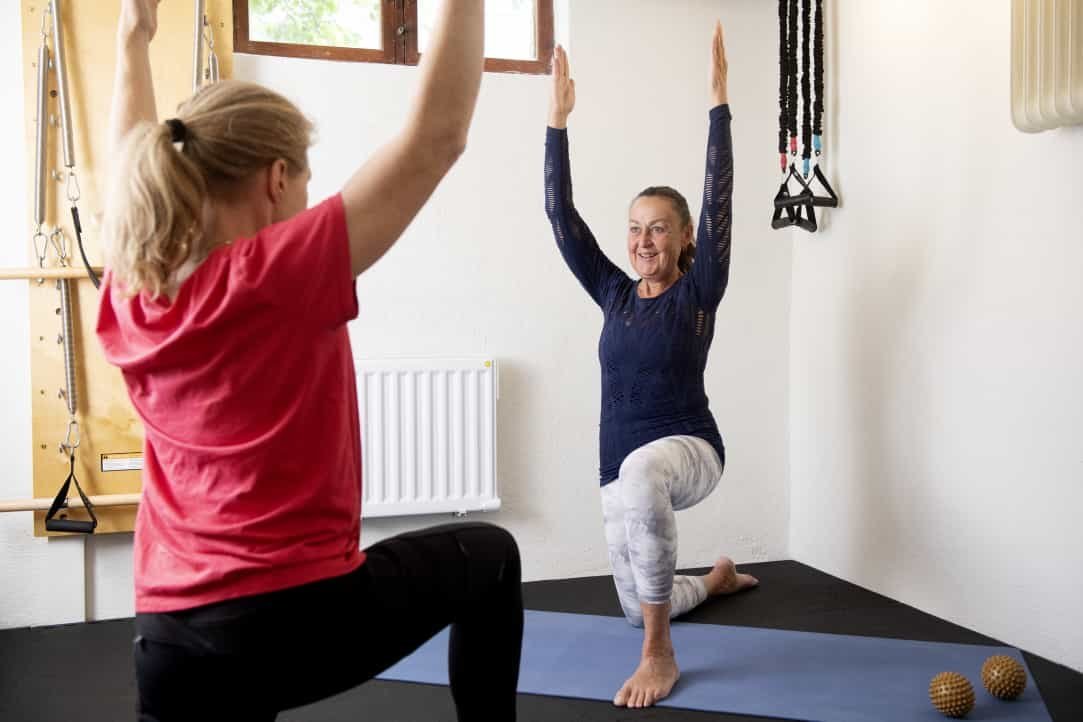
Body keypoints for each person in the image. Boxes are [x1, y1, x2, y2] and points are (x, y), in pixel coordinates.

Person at [97, 1, 522, 720]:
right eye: (303, 181)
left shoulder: (136, 290)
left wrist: (131, 41)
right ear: (275, 179)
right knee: (491, 558)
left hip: (168, 640)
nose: (306, 197)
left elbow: (125, 174)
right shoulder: (274, 270)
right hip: (296, 620)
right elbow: (438, 136)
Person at [543, 22, 758, 709]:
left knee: (642, 476)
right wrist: (557, 122)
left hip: (690, 451)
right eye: (635, 228)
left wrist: (718, 106)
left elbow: (719, 200)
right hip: (619, 467)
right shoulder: (613, 293)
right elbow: (559, 214)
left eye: (658, 227)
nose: (642, 240)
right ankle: (713, 581)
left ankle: (660, 654)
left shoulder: (697, 292)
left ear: (684, 236)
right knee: (637, 604)